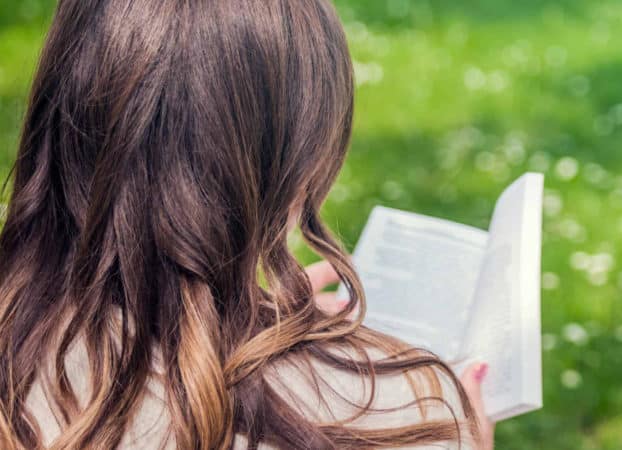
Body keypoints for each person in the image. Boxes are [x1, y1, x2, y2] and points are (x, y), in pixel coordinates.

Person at [0, 0, 495, 448]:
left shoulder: (19, 364)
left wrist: (239, 311)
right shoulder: (396, 411)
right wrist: (461, 433)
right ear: (299, 158)